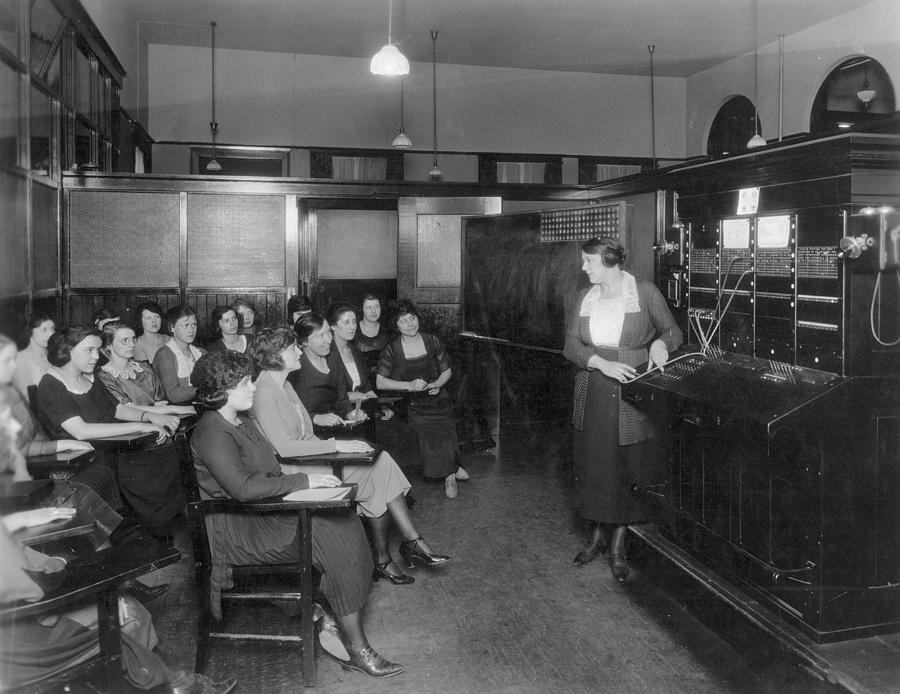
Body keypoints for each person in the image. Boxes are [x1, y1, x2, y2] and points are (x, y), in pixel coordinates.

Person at [189, 350, 405, 678]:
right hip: (238, 530)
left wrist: (306, 486)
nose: (251, 387)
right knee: (332, 532)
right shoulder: (211, 431)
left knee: (344, 520)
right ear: (221, 390)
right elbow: (244, 490)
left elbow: (268, 472)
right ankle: (358, 648)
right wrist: (305, 480)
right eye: (244, 382)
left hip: (261, 516)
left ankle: (333, 619)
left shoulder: (241, 421)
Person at [249, 327, 448, 585]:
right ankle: (394, 552)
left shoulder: (284, 384)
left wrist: (340, 442)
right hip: (294, 470)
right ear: (276, 356)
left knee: (381, 463)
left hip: (310, 459)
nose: (299, 351)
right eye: (293, 349)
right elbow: (285, 448)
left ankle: (404, 546)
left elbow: (304, 429)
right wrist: (337, 447)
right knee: (378, 473)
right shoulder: (264, 391)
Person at [563, 238, 682, 581]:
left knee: (625, 466)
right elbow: (570, 345)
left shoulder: (642, 291)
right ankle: (597, 537)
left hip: (631, 392)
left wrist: (659, 343)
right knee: (594, 466)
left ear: (610, 261)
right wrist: (599, 362)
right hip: (593, 389)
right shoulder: (584, 297)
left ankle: (618, 545)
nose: (584, 268)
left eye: (589, 262)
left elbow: (674, 331)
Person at [35, 326, 177, 516]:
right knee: (154, 466)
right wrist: (142, 426)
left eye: (97, 349)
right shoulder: (51, 384)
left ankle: (159, 527)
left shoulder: (89, 377)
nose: (96, 356)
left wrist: (149, 416)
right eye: (89, 350)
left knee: (168, 455)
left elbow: (117, 409)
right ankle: (155, 527)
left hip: (110, 450)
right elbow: (81, 431)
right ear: (68, 351)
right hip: (87, 459)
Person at [96, 320, 193, 530]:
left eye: (133, 339)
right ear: (108, 347)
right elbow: (126, 410)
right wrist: (180, 410)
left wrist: (177, 411)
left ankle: (175, 517)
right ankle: (159, 521)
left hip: (156, 428)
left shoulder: (144, 368)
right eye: (124, 341)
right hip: (130, 439)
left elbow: (159, 402)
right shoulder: (103, 376)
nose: (131, 344)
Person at [376, 301, 468, 499]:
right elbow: (381, 382)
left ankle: (450, 474)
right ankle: (451, 469)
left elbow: (447, 371)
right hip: (411, 403)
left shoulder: (432, 341)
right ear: (396, 325)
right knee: (428, 429)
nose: (410, 324)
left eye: (413, 318)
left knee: (446, 424)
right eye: (403, 321)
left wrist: (438, 384)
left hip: (437, 398)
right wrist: (408, 385)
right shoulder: (392, 349)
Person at [0, 334, 92, 481]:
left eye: (14, 360)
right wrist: (60, 445)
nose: (14, 366)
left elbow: (36, 432)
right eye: (7, 361)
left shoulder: (11, 394)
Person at [288, 314, 364, 426]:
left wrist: (350, 414)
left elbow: (342, 399)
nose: (328, 339)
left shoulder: (333, 358)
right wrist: (315, 418)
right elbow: (290, 410)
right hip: (309, 430)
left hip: (335, 425)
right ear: (304, 341)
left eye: (329, 332)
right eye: (320, 336)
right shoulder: (296, 367)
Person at [153, 304, 206, 405]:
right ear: (172, 327)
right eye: (186, 325)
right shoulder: (165, 354)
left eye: (194, 325)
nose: (191, 330)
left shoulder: (201, 353)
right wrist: (205, 389)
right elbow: (173, 394)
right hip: (174, 413)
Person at [11, 312, 55, 400]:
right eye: (44, 329)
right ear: (30, 331)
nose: (50, 334)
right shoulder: (21, 359)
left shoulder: (54, 357)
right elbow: (28, 399)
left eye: (52, 329)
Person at [353, 294, 388, 383]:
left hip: (384, 381)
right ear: (362, 309)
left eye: (376, 306)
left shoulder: (388, 331)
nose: (373, 311)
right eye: (369, 307)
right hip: (359, 381)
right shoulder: (353, 330)